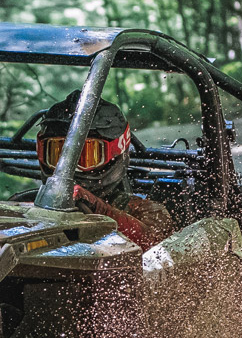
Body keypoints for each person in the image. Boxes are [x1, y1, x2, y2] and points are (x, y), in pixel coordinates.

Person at [34, 90, 173, 243]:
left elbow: (156, 244)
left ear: (115, 153)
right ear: (42, 152)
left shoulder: (145, 211)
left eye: (87, 156)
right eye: (58, 155)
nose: (71, 168)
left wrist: (100, 209)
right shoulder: (34, 203)